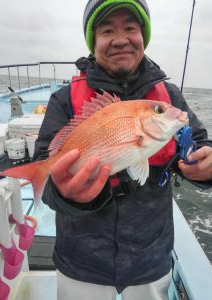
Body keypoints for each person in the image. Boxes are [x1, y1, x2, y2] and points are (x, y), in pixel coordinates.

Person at [33, 0, 212, 299]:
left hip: (151, 261)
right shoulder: (64, 100)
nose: (120, 39)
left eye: (130, 27)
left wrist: (206, 167)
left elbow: (199, 143)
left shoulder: (169, 97)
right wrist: (65, 193)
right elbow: (45, 166)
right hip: (81, 262)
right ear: (94, 42)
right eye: (106, 30)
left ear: (143, 37)